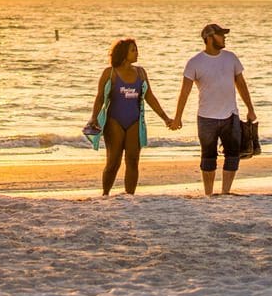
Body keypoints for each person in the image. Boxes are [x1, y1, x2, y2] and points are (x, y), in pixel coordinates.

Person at [171, 23, 257, 197]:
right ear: (209, 38)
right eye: (221, 35)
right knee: (208, 157)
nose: (224, 37)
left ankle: (225, 192)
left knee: (233, 155)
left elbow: (241, 85)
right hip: (206, 117)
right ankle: (209, 194)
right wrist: (178, 117)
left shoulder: (231, 58)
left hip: (230, 115)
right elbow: (184, 92)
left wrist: (250, 109)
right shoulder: (195, 62)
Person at [86, 38, 176, 196]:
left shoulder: (140, 72)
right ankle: (105, 194)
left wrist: (165, 118)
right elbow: (100, 97)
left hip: (134, 122)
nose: (137, 53)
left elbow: (150, 97)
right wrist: (94, 118)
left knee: (133, 161)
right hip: (114, 121)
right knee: (113, 161)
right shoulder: (110, 72)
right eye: (133, 50)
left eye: (136, 49)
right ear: (123, 53)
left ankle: (130, 196)